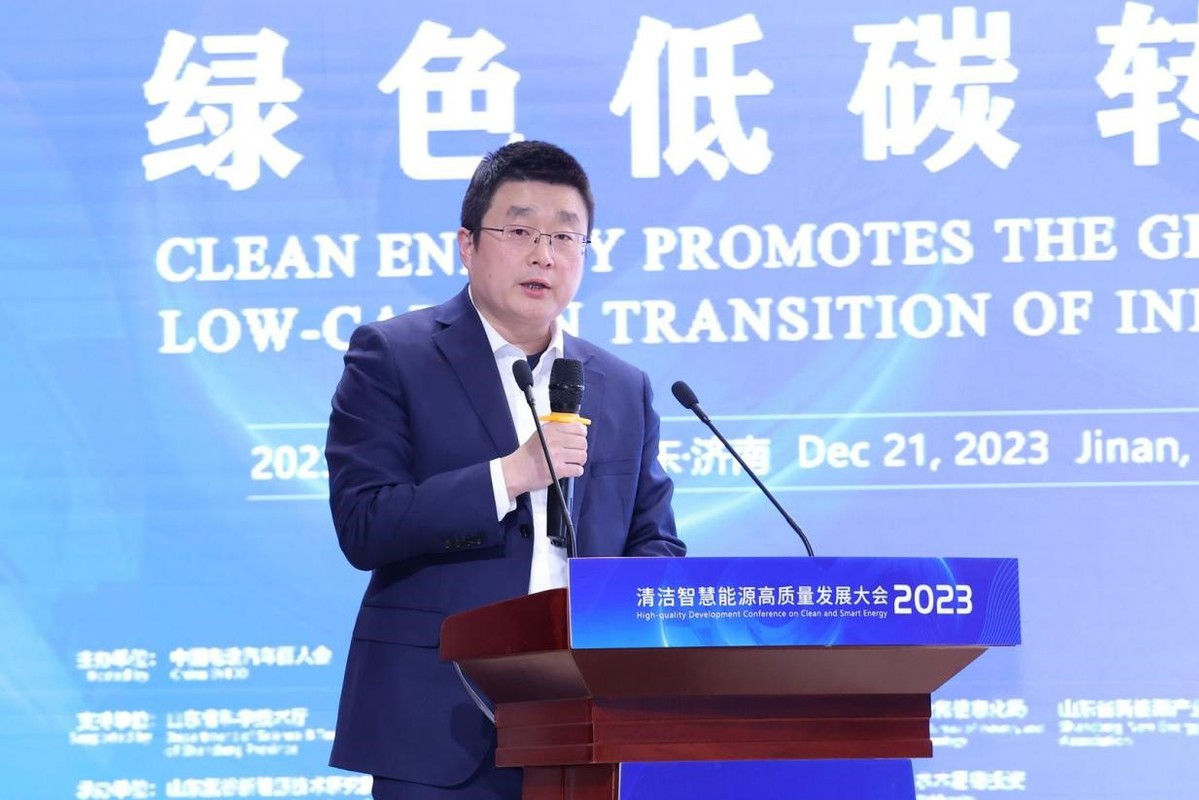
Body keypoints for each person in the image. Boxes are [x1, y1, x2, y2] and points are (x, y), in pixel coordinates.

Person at [324, 140, 686, 799]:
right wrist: (509, 475)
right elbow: (364, 523)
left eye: (565, 236)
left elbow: (653, 541)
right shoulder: (393, 356)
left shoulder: (622, 386)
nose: (544, 254)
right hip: (437, 724)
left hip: (587, 723)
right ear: (467, 244)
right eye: (520, 231)